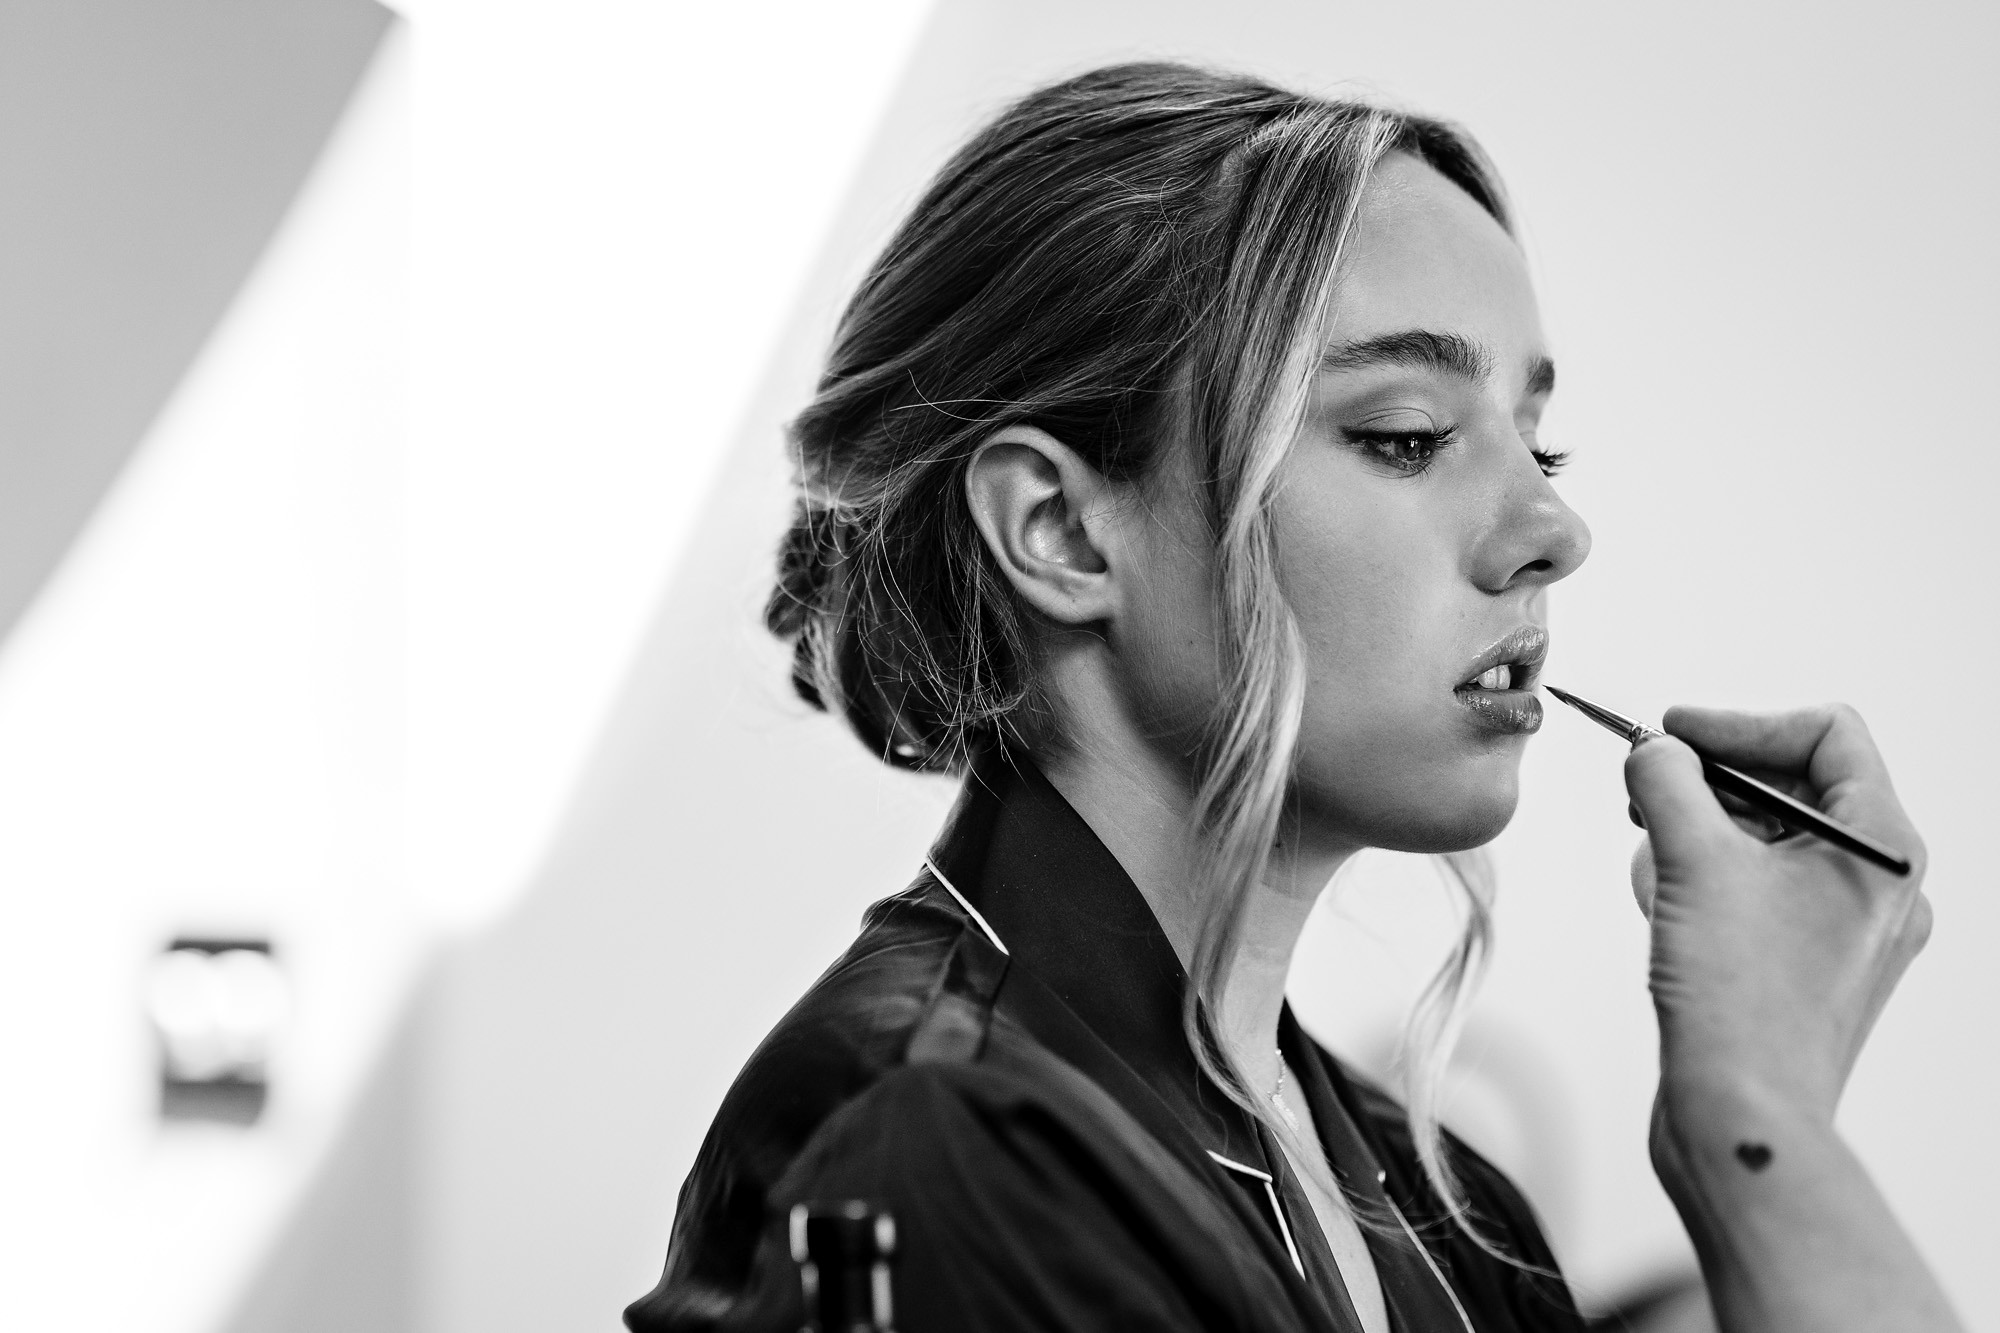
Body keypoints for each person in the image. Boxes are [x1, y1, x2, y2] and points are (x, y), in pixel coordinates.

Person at [625, 63, 1956, 1333]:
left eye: (1537, 445)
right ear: (1064, 532)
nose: (1554, 526)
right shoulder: (944, 1151)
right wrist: (1757, 1129)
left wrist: (1760, 1106)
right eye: (1408, 436)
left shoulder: (1443, 1207)